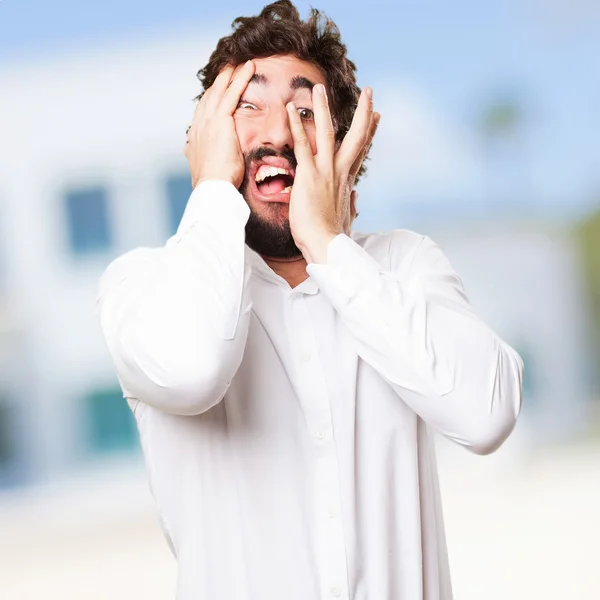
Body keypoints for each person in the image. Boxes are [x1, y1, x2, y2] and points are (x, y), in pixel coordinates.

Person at [96, 2, 523, 599]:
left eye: (304, 111)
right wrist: (214, 190)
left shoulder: (403, 265)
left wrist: (325, 241)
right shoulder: (142, 287)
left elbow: (487, 414)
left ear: (344, 148)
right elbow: (192, 368)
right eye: (248, 106)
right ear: (206, 137)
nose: (277, 133)